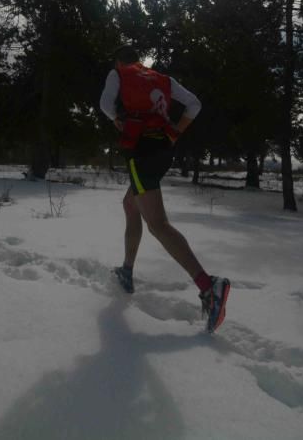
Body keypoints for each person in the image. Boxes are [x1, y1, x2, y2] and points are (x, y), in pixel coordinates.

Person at [99, 45, 231, 333]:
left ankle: (209, 286)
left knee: (157, 224)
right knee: (130, 205)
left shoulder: (117, 74)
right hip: (163, 150)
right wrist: (175, 131)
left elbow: (105, 106)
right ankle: (127, 271)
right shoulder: (163, 79)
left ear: (119, 60)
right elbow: (194, 104)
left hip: (140, 152)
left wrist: (118, 120)